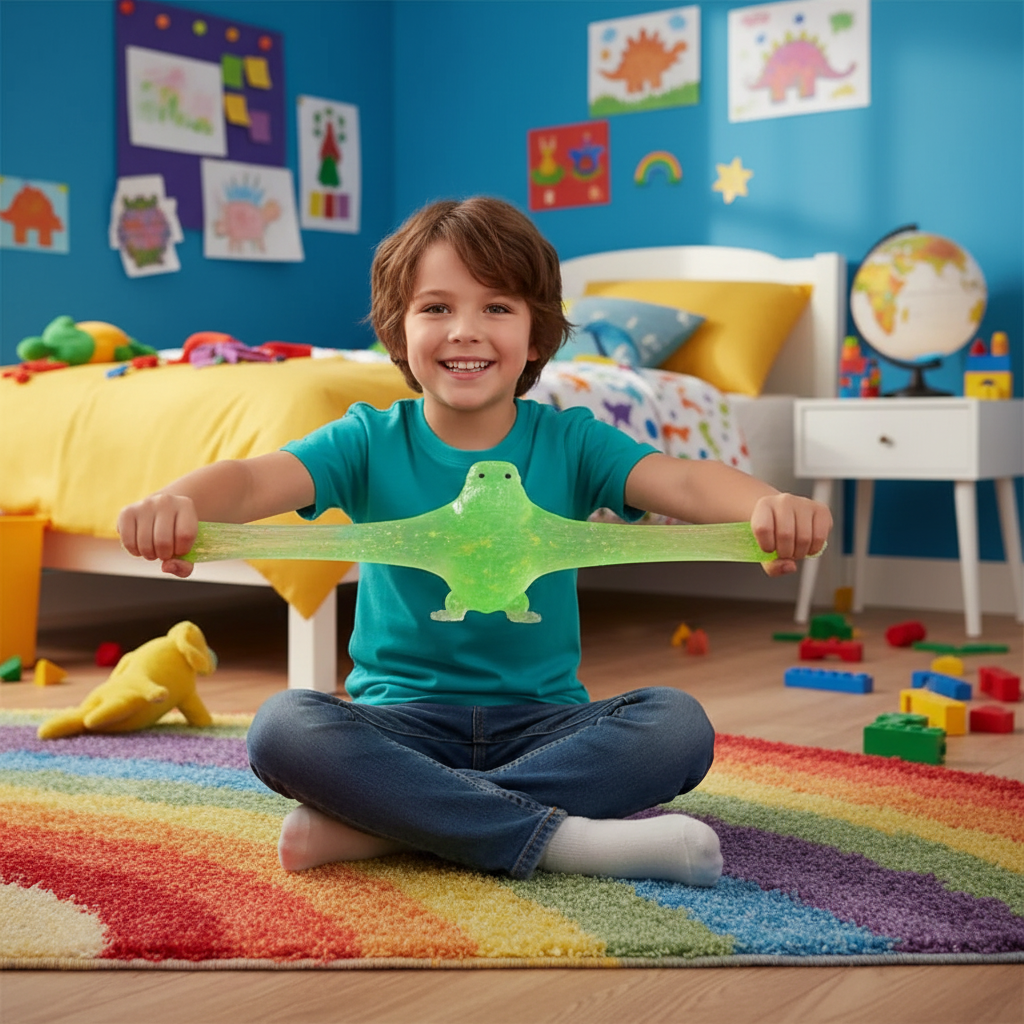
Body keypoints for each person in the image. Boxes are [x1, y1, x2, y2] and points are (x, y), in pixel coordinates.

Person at [118, 196, 831, 886]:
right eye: (436, 308)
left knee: (678, 727)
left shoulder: (572, 442)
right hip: (399, 724)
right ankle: (561, 840)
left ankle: (387, 824)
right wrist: (179, 501)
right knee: (282, 727)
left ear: (537, 333)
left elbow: (682, 483)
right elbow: (247, 483)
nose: (465, 329)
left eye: (497, 306)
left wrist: (766, 504)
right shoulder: (368, 441)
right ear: (398, 331)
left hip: (547, 724)